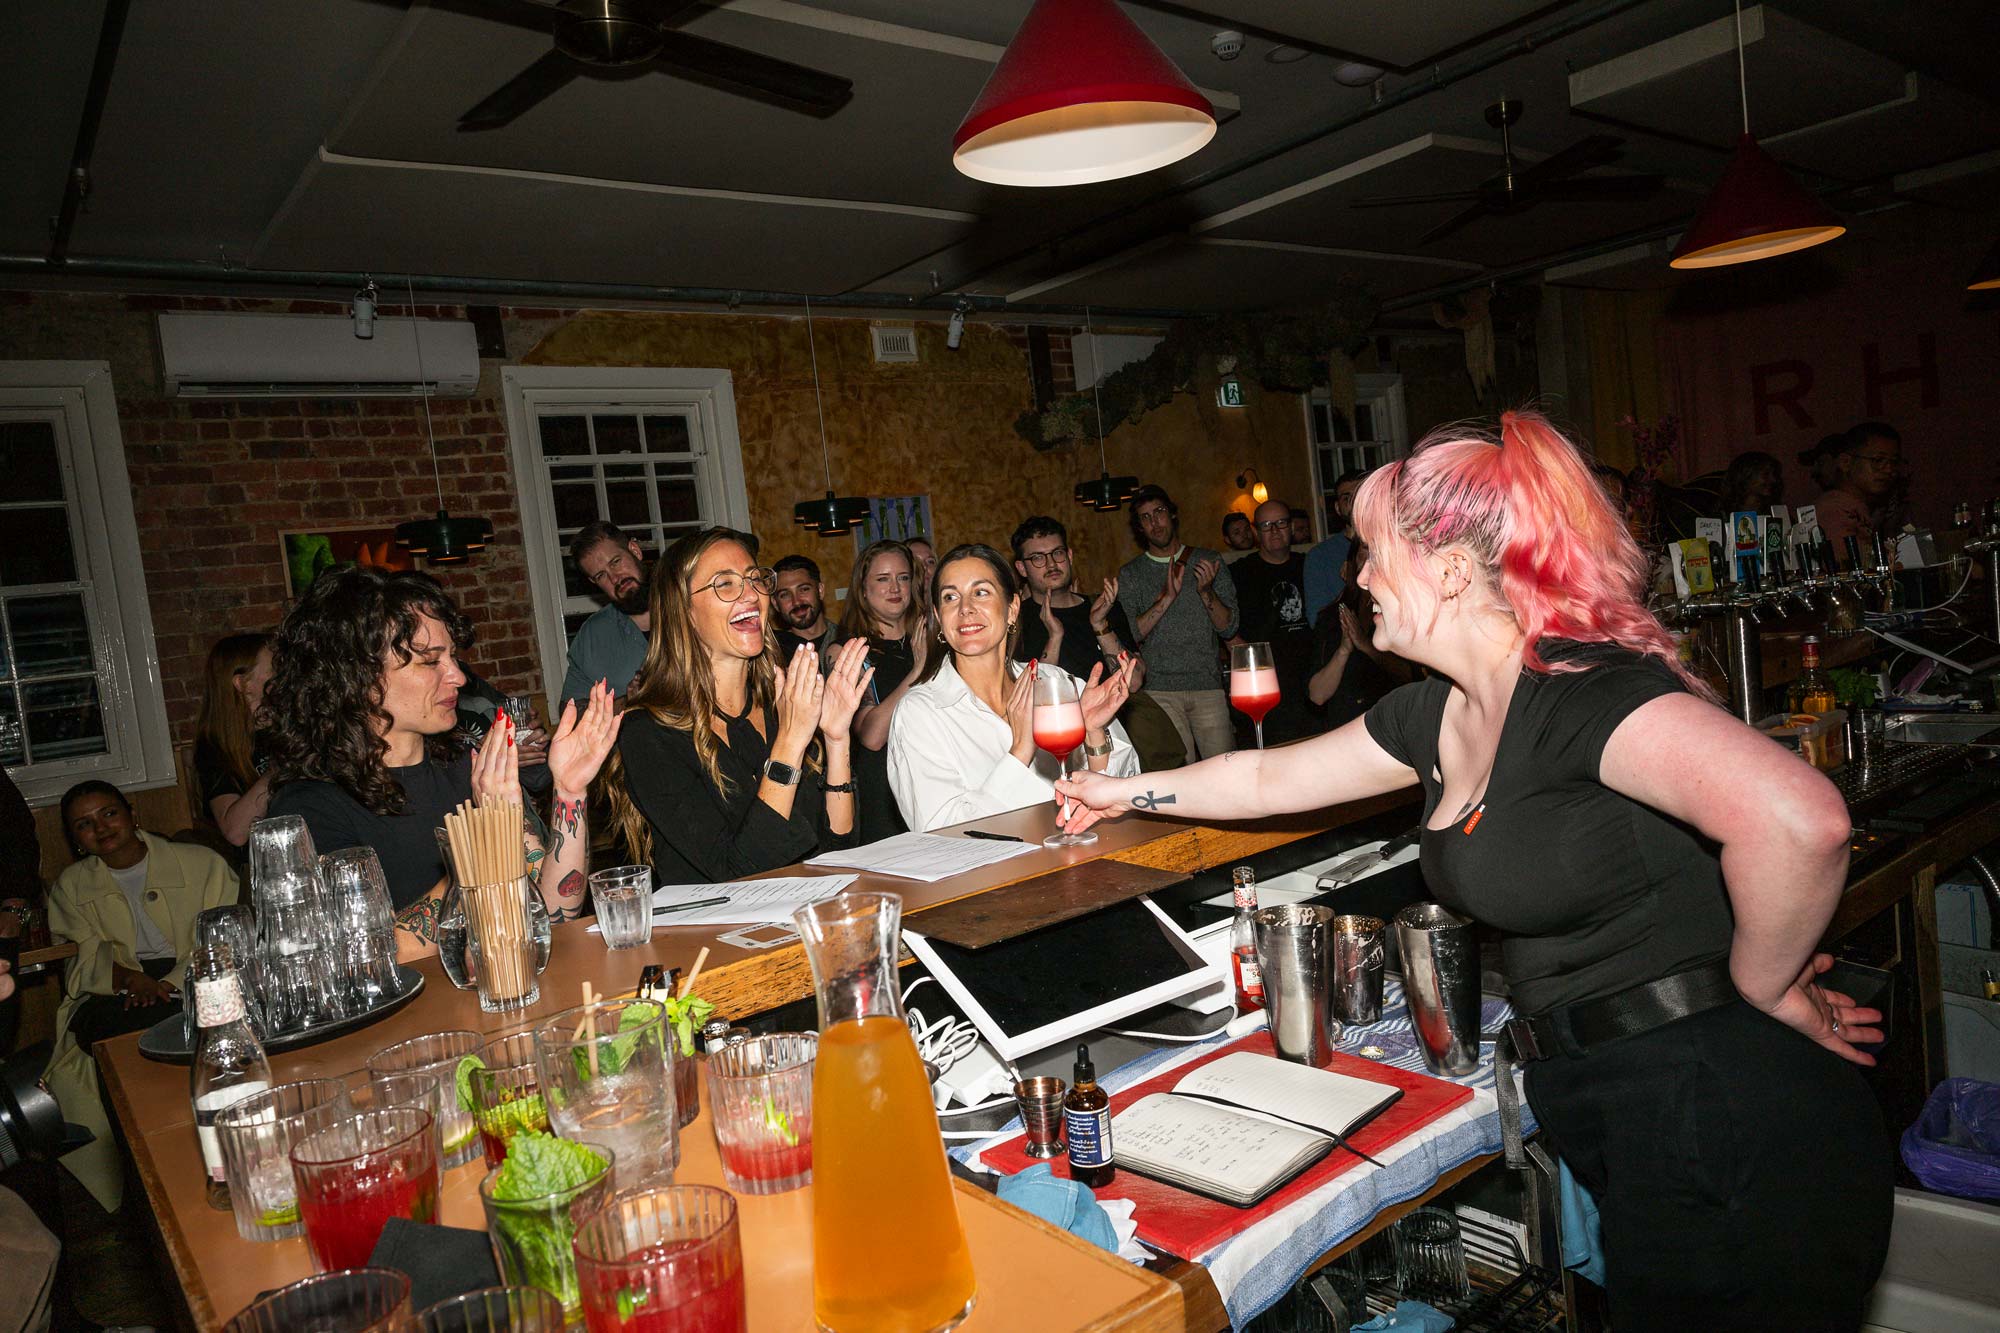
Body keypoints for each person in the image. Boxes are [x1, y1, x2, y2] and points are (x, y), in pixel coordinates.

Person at [1058, 410, 1892, 1329]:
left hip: (1725, 1122)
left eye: (1375, 556)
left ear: (1452, 571)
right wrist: (1119, 792)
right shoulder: (1437, 713)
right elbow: (1264, 777)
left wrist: (1765, 984)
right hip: (1626, 1109)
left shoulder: (1580, 692)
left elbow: (1801, 819)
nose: (1358, 577)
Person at [265, 568, 620, 948]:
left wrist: (569, 791)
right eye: (430, 661)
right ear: (359, 678)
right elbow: (369, 956)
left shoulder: (467, 768)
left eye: (451, 656)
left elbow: (553, 911)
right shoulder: (310, 808)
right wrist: (486, 841)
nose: (458, 677)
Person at [606, 529, 872, 882]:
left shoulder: (781, 702)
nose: (751, 594)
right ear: (684, 611)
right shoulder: (649, 733)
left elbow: (839, 849)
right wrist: (790, 743)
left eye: (754, 579)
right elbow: (738, 872)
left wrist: (836, 739)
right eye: (725, 584)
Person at [44, 781, 238, 1211]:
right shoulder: (70, 886)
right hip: (114, 987)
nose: (101, 828)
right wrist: (131, 979)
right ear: (75, 839)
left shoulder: (201, 863)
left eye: (109, 814)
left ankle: (211, 1159)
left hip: (197, 975)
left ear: (132, 814)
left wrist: (168, 983)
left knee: (187, 1021)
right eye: (84, 824)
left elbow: (221, 936)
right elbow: (80, 956)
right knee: (107, 1034)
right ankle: (142, 1179)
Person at [888, 544, 1139, 832]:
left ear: (1012, 609)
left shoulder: (1054, 683)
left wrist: (1093, 733)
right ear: (939, 617)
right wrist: (1020, 751)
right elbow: (941, 832)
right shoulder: (920, 712)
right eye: (950, 597)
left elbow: (1127, 789)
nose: (965, 608)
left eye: (981, 592)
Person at [1116, 486, 1238, 764]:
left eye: (1159, 512)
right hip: (1159, 691)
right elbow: (1129, 635)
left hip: (1208, 686)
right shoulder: (1131, 574)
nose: (1154, 522)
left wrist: (1206, 591)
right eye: (1145, 517)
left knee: (1225, 771)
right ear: (1139, 527)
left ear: (1172, 514)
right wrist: (1166, 598)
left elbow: (1229, 627)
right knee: (1179, 776)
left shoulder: (1209, 562)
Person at [841, 540, 930, 842]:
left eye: (903, 577)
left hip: (934, 775)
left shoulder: (931, 639)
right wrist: (918, 671)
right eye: (883, 579)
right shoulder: (850, 651)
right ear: (863, 589)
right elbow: (872, 736)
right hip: (884, 789)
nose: (895, 587)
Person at [1230, 499, 1321, 744]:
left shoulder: (1309, 565)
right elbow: (1224, 623)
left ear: (1291, 527)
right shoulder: (1240, 572)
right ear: (1256, 532)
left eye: (1280, 523)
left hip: (1311, 676)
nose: (1274, 530)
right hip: (1267, 682)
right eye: (1266, 525)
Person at [1307, 535, 1414, 729]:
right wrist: (1343, 650)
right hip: (1344, 732)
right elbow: (1317, 696)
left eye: (1378, 548)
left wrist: (1365, 645)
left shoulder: (1403, 611)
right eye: (1365, 548)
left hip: (1393, 727)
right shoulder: (1333, 615)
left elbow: (1411, 677)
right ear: (1354, 558)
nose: (1372, 555)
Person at [190, 632, 275, 856]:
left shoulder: (287, 723)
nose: (282, 675)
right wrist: (282, 766)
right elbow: (236, 832)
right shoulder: (214, 747)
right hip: (264, 861)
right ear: (242, 683)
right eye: (273, 669)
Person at [561, 521, 652, 711]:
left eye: (616, 562)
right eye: (601, 575)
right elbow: (570, 709)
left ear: (635, 551)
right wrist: (625, 703)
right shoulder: (593, 634)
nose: (615, 578)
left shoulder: (692, 607)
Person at [1816, 423, 1901, 551]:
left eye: (1894, 462)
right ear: (1846, 462)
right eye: (1878, 460)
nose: (1889, 469)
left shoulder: (1859, 507)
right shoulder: (1833, 511)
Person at [1303, 469, 1367, 627]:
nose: (1355, 503)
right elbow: (1317, 621)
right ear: (1338, 508)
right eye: (1347, 498)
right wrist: (1350, 587)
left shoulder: (1392, 545)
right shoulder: (1320, 556)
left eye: (1361, 495)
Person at [772, 554, 845, 668]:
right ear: (775, 604)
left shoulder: (848, 640)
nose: (796, 602)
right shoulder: (772, 655)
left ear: (820, 591)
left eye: (804, 589)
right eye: (785, 595)